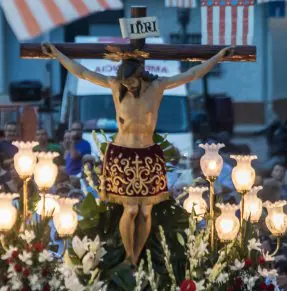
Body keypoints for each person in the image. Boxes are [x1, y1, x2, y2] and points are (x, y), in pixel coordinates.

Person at [42, 41, 233, 264]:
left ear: (140, 73)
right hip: (122, 155)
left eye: (131, 81)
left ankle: (135, 258)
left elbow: (192, 74)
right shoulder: (116, 88)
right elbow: (82, 73)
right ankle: (127, 259)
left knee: (145, 211)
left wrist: (217, 57)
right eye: (125, 82)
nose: (129, 86)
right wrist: (56, 54)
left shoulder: (157, 87)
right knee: (130, 209)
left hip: (148, 155)